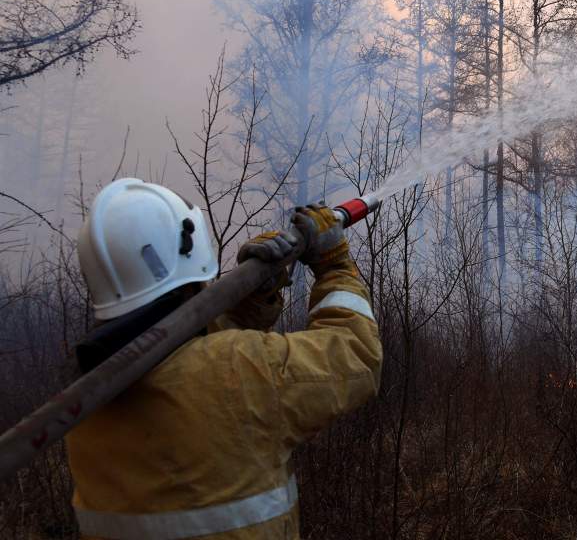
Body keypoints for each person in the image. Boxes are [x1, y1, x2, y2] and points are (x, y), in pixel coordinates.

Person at [65, 178, 381, 539]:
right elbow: (356, 354)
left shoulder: (84, 400)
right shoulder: (238, 367)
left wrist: (251, 298)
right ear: (191, 248)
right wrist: (335, 264)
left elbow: (189, 363)